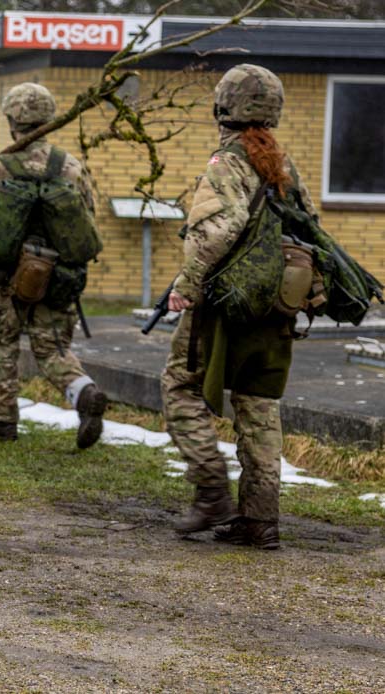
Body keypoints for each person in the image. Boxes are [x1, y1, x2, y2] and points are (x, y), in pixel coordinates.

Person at [164, 64, 313, 550]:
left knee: (179, 387)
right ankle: (259, 519)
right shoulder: (284, 165)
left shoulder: (227, 163)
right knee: (258, 404)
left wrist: (186, 284)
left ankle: (211, 493)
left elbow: (215, 230)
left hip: (227, 305)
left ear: (223, 106)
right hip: (279, 305)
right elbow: (310, 229)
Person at [0, 83, 108, 449]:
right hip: (57, 278)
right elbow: (89, 217)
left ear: (12, 120)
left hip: (8, 279)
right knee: (52, 351)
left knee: (2, 345)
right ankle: (83, 392)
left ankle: (3, 423)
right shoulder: (71, 167)